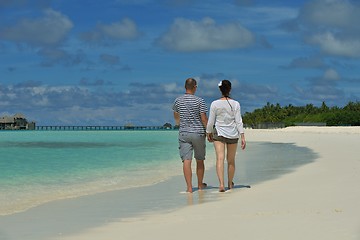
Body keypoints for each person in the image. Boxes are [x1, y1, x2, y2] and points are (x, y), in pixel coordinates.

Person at [206, 79, 246, 192]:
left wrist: (208, 132)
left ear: (220, 89)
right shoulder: (236, 103)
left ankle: (221, 184)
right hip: (233, 134)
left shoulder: (215, 103)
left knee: (220, 158)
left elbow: (211, 121)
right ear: (230, 89)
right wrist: (242, 136)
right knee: (231, 160)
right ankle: (230, 183)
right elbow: (239, 121)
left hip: (219, 132)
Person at [173, 78, 208, 193]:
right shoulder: (200, 101)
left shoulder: (178, 101)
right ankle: (199, 185)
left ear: (185, 87)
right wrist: (209, 131)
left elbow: (176, 116)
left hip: (184, 133)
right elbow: (203, 119)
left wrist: (179, 124)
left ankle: (189, 187)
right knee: (199, 159)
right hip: (198, 133)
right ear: (195, 87)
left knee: (186, 160)